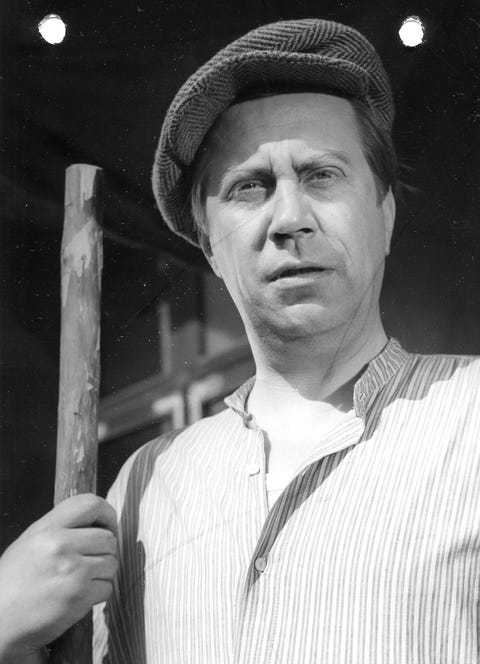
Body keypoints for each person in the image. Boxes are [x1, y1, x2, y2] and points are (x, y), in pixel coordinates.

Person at [2, 17, 480, 664]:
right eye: (248, 188)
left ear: (385, 215)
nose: (290, 219)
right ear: (209, 248)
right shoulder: (146, 485)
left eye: (322, 175)